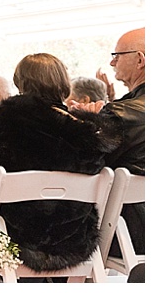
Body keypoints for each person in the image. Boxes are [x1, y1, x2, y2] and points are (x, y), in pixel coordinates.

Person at [0, 53, 121, 281]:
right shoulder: (83, 129)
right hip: (73, 240)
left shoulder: (5, 116)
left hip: (14, 238)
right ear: (62, 82)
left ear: (21, 83)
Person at [68, 28, 145, 257]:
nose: (112, 62)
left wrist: (85, 123)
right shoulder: (122, 109)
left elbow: (80, 164)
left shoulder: (120, 115)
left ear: (140, 60)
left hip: (126, 230)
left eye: (117, 56)